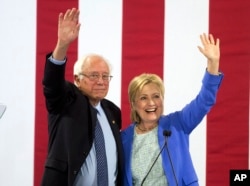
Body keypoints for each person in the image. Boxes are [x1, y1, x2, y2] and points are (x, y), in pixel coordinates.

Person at [121, 33, 223, 186]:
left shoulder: (178, 123)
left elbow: (204, 101)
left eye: (156, 96)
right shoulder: (122, 139)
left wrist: (213, 64)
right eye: (143, 98)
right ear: (134, 104)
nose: (151, 103)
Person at [41, 8, 123, 186]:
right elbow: (52, 83)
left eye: (105, 76)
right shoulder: (67, 100)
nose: (101, 81)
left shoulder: (113, 112)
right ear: (77, 79)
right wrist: (62, 45)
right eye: (94, 76)